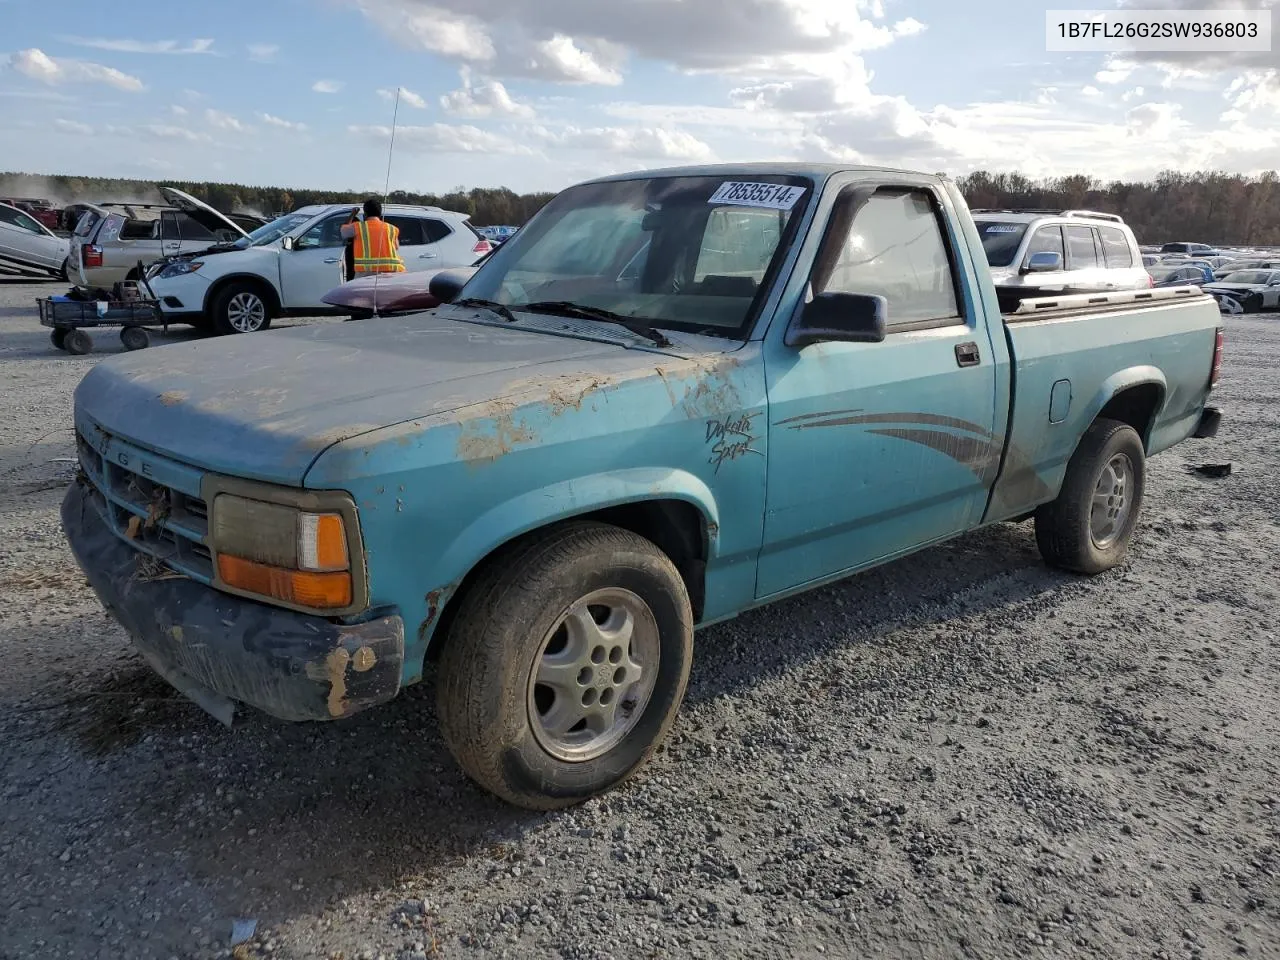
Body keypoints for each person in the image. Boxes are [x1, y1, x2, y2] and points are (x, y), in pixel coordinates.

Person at [339, 198, 405, 275]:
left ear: (365, 214)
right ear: (380, 214)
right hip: (392, 272)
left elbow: (343, 232)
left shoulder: (358, 227)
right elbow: (396, 247)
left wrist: (352, 214)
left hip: (367, 273)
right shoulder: (392, 229)